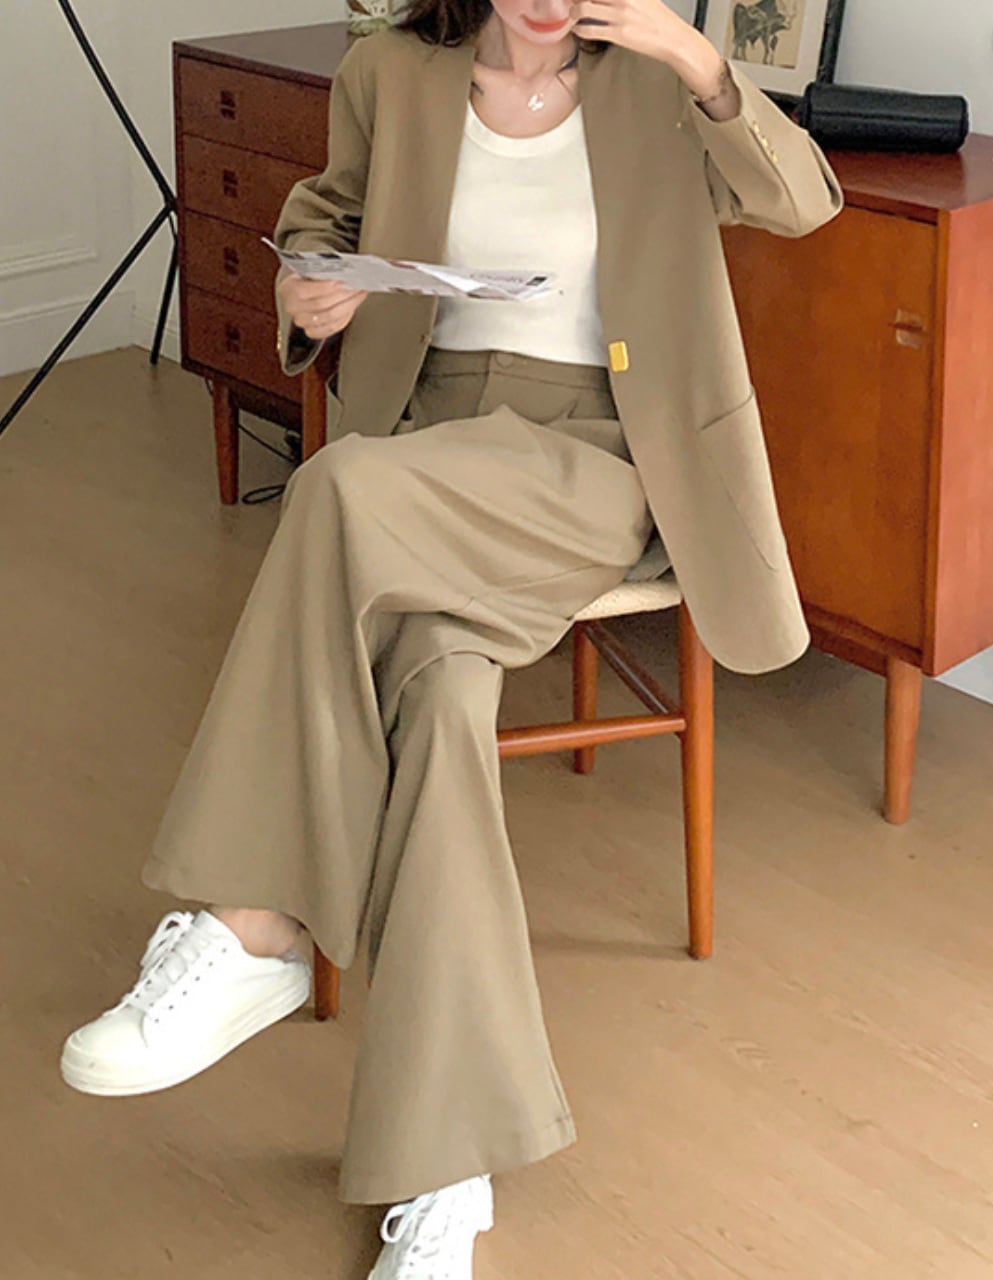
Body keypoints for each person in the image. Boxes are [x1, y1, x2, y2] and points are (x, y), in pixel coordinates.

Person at [60, 0, 842, 1274]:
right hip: (432, 443)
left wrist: (697, 57)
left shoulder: (658, 85)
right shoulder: (391, 72)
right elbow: (324, 222)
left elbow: (801, 200)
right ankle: (446, 1170)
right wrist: (308, 290)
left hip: (599, 453)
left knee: (332, 489)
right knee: (436, 696)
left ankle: (257, 919)